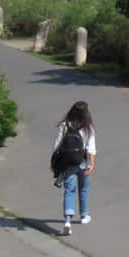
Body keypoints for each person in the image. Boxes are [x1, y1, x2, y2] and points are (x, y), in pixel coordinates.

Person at [52, 101, 96, 236]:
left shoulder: (64, 126)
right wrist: (92, 164)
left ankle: (67, 221)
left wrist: (56, 164)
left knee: (69, 191)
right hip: (83, 163)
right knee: (83, 189)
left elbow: (57, 146)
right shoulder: (88, 127)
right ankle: (84, 216)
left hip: (68, 164)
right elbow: (91, 149)